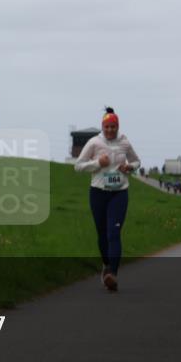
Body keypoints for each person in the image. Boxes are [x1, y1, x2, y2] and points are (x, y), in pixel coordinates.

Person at [74, 107, 141, 291]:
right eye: (107, 127)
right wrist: (97, 163)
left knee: (114, 233)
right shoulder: (94, 143)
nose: (110, 130)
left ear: (117, 126)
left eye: (113, 127)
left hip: (119, 192)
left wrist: (129, 167)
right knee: (102, 234)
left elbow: (136, 161)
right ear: (102, 127)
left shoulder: (124, 142)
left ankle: (113, 274)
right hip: (98, 192)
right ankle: (106, 265)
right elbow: (78, 166)